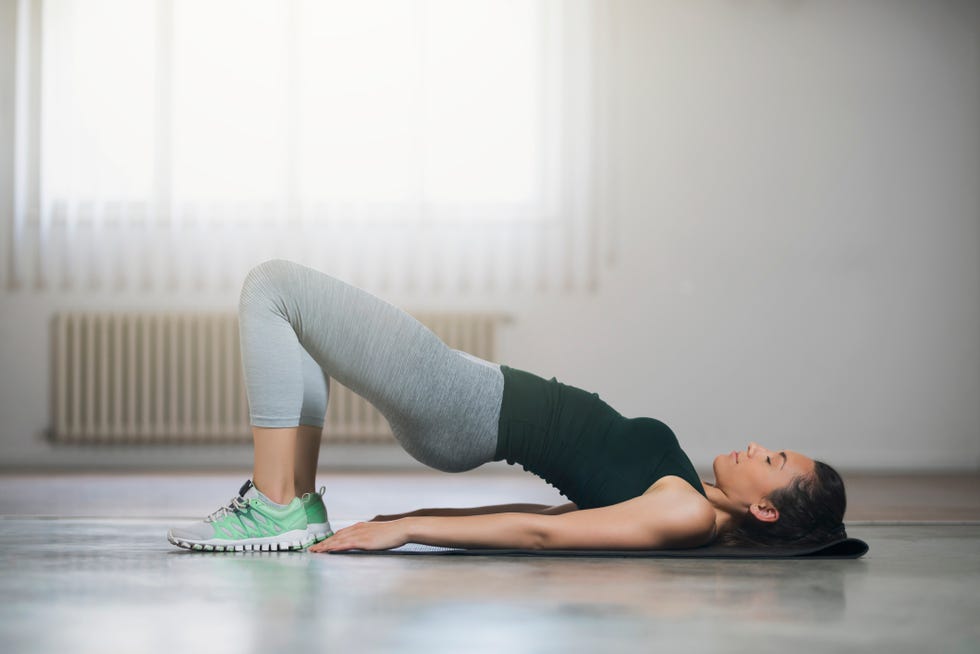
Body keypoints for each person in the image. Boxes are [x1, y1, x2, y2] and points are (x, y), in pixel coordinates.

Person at [167, 259, 847, 553]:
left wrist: (408, 533)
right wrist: (410, 517)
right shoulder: (688, 498)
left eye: (775, 460)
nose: (759, 446)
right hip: (465, 391)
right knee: (298, 331)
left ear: (767, 507)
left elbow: (543, 536)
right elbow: (549, 514)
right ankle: (297, 505)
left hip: (459, 400)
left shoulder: (686, 512)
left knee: (271, 289)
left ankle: (275, 501)